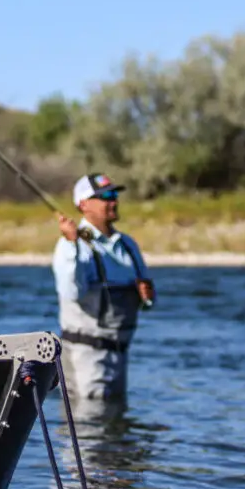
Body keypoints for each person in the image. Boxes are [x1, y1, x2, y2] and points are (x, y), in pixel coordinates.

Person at [52, 173, 155, 407]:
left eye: (114, 195)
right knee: (88, 424)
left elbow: (147, 300)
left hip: (120, 356)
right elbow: (71, 292)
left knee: (116, 428)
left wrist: (147, 297)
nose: (113, 201)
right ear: (83, 204)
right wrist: (71, 245)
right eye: (104, 196)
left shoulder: (128, 245)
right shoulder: (71, 246)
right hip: (84, 359)